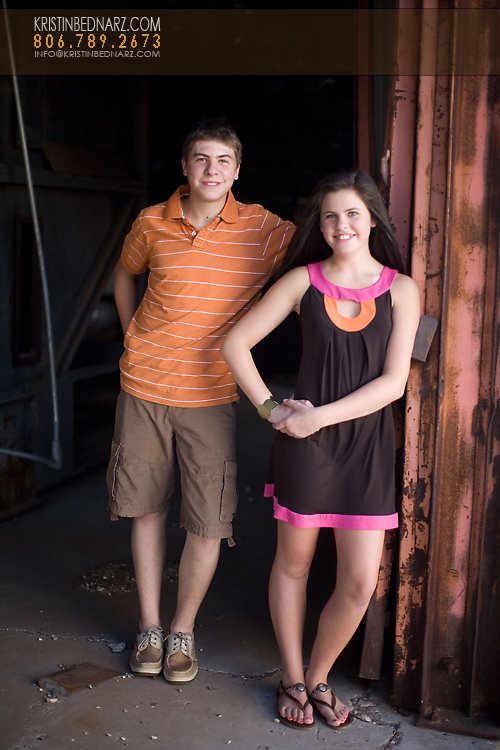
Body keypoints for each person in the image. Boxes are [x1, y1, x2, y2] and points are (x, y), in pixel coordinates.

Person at [222, 168, 420, 730]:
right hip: (304, 449)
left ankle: (319, 676)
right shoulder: (302, 282)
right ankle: (292, 678)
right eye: (330, 215)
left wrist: (318, 418)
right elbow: (235, 343)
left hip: (366, 448)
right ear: (321, 224)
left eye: (352, 213)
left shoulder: (401, 290)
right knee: (295, 564)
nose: (341, 225)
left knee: (358, 583)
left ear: (373, 219)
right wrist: (271, 410)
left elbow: (394, 384)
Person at [106, 117, 295, 683]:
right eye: (201, 159)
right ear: (185, 167)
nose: (212, 170)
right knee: (146, 509)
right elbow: (124, 275)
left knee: (208, 522)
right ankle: (149, 626)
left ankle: (182, 629)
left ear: (237, 171)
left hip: (211, 394)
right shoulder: (151, 222)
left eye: (223, 161)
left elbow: (322, 252)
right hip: (143, 387)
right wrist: (130, 335)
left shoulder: (263, 229)